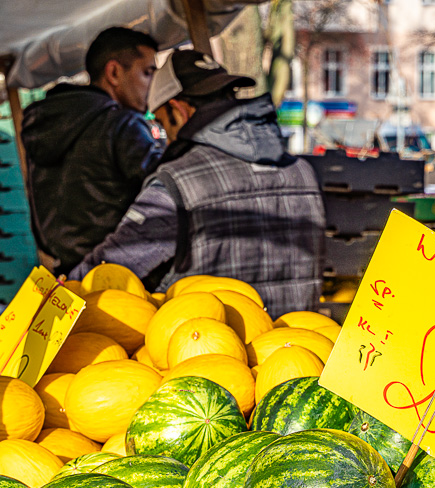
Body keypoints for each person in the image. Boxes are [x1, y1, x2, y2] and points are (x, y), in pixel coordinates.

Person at [71, 50, 325, 317]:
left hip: (209, 350)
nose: (165, 138)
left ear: (178, 112)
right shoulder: (302, 172)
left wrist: (62, 289)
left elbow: (110, 268)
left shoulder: (178, 182)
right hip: (299, 346)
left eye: (160, 122)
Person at [21, 27, 164, 275]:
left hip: (66, 274)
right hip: (119, 277)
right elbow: (165, 193)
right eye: (147, 73)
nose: (153, 85)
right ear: (114, 72)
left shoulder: (50, 120)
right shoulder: (123, 124)